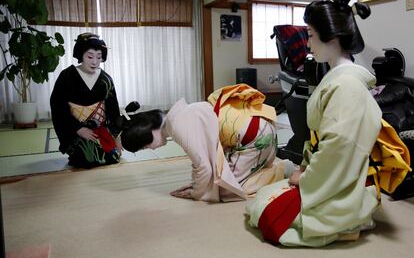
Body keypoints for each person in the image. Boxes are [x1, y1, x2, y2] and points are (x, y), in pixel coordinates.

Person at [246, 0, 383, 247]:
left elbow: (339, 146)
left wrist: (306, 178)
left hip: (339, 180)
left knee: (270, 218)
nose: (308, 44)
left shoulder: (347, 86)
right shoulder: (338, 79)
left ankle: (349, 217)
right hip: (326, 171)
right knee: (263, 199)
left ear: (330, 37)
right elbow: (324, 142)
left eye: (309, 34)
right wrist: (304, 168)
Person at [118, 84, 295, 202]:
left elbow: (204, 167)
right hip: (261, 131)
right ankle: (269, 169)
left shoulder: (179, 126)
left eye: (145, 145)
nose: (149, 148)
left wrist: (196, 193)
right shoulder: (180, 116)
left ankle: (281, 171)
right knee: (216, 181)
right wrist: (197, 185)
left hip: (255, 139)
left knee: (227, 189)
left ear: (150, 131)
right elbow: (202, 163)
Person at [50, 32, 122, 168]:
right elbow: (58, 108)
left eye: (99, 57)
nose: (94, 61)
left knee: (112, 157)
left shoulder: (106, 79)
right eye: (90, 56)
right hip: (76, 131)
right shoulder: (66, 77)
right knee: (86, 158)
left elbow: (113, 110)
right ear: (81, 54)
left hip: (100, 130)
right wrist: (78, 129)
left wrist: (116, 137)